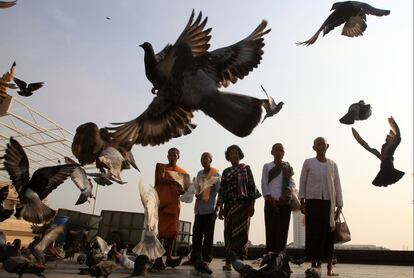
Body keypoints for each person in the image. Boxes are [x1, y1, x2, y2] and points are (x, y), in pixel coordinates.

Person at [299, 137, 343, 276]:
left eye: (322, 144)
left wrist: (339, 205)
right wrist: (302, 201)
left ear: (327, 146)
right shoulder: (308, 163)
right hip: (312, 201)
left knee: (328, 235)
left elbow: (337, 185)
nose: (320, 146)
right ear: (314, 147)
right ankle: (314, 266)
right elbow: (303, 181)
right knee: (313, 234)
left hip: (328, 203)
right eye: (317, 144)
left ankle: (330, 267)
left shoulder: (332, 164)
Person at [216, 145, 261, 271]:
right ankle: (229, 261)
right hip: (229, 206)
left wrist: (252, 205)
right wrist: (220, 207)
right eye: (231, 154)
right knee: (229, 233)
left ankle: (240, 261)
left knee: (242, 234)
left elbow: (252, 187)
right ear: (228, 157)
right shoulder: (226, 172)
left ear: (239, 155)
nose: (233, 156)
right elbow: (222, 191)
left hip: (243, 206)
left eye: (235, 153)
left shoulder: (246, 168)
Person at [153, 147, 188, 270]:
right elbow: (159, 179)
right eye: (170, 155)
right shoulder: (161, 167)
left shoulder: (182, 172)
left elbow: (184, 189)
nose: (172, 157)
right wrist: (173, 182)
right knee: (161, 233)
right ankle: (158, 258)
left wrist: (184, 190)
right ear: (167, 156)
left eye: (174, 155)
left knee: (173, 232)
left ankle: (168, 257)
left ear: (178, 156)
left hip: (174, 204)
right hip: (163, 204)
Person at [261, 143, 295, 255]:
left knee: (283, 231)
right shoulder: (267, 166)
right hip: (270, 203)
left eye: (281, 150)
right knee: (270, 231)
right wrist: (271, 200)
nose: (279, 152)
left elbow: (292, 183)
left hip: (284, 203)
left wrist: (284, 196)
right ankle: (270, 258)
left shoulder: (287, 167)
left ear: (284, 153)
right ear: (272, 152)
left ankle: (281, 258)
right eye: (277, 150)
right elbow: (264, 184)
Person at [190, 152, 221, 265]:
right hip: (199, 209)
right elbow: (197, 188)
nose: (203, 160)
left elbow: (220, 192)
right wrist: (195, 192)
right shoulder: (199, 173)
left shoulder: (216, 174)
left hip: (209, 210)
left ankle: (206, 259)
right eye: (202, 158)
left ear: (210, 160)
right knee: (196, 235)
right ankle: (195, 258)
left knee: (208, 236)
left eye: (206, 158)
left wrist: (217, 208)